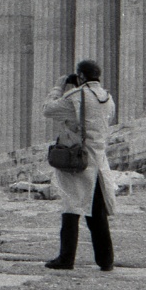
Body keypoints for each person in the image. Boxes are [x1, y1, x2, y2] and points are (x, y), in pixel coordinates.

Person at [41, 59, 118, 270]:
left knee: (71, 206)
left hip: (78, 159)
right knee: (96, 211)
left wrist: (59, 87)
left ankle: (66, 258)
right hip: (99, 160)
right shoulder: (108, 99)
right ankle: (106, 260)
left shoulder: (75, 96)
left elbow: (47, 110)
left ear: (81, 76)